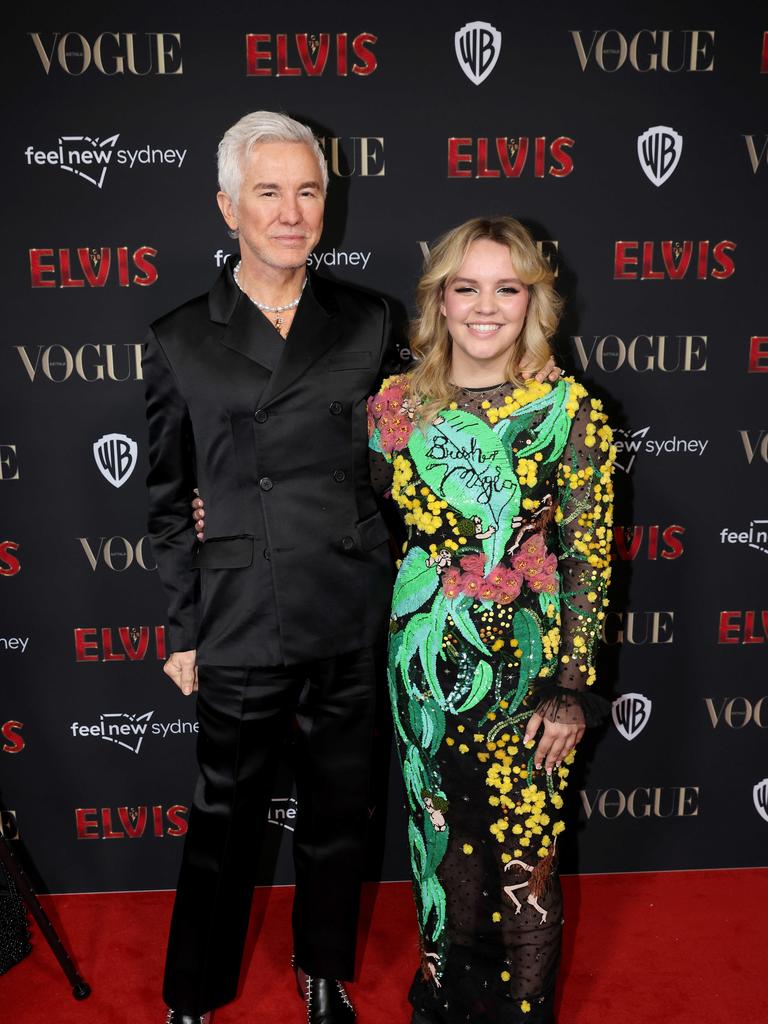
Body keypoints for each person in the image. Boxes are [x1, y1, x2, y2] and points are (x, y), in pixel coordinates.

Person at [150, 110, 561, 1024]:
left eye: (308, 192)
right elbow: (168, 500)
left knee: (342, 808)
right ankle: (195, 988)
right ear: (228, 208)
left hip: (353, 592)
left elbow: (438, 424)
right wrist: (183, 627)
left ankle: (322, 970)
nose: (292, 212)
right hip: (240, 604)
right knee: (223, 817)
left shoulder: (370, 319)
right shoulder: (179, 337)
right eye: (269, 193)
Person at [365, 217, 615, 1023]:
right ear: (439, 299)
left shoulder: (568, 411)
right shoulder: (396, 406)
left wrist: (570, 690)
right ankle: (442, 995)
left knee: (522, 859)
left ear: (533, 301)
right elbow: (364, 517)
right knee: (438, 843)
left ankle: (519, 1012)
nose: (484, 307)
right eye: (465, 287)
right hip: (424, 669)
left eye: (506, 288)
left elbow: (589, 558)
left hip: (526, 677)